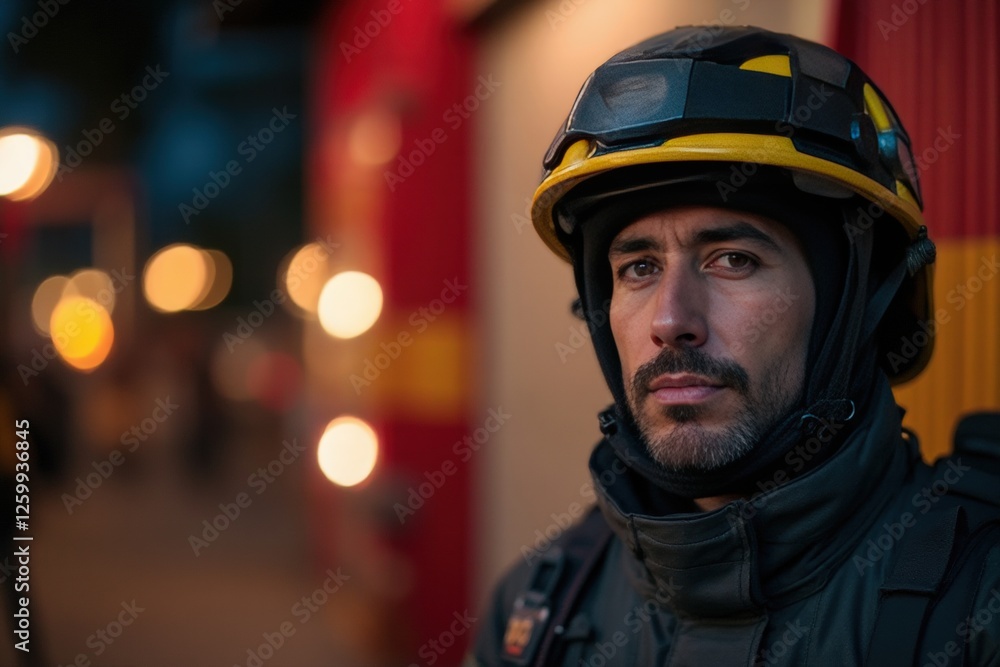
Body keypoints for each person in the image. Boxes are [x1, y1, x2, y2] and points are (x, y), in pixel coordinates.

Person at [469, 26, 1000, 666]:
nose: (671, 321)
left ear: (855, 307)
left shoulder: (977, 604)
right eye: (638, 268)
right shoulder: (540, 609)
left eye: (732, 259)